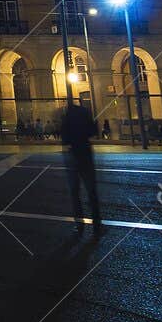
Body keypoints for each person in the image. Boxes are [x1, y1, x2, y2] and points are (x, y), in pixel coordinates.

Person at [60, 100, 104, 237]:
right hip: (85, 152)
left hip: (72, 154)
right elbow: (93, 131)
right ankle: (97, 224)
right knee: (91, 191)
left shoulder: (67, 117)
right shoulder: (86, 114)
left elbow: (64, 138)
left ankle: (79, 224)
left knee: (75, 192)